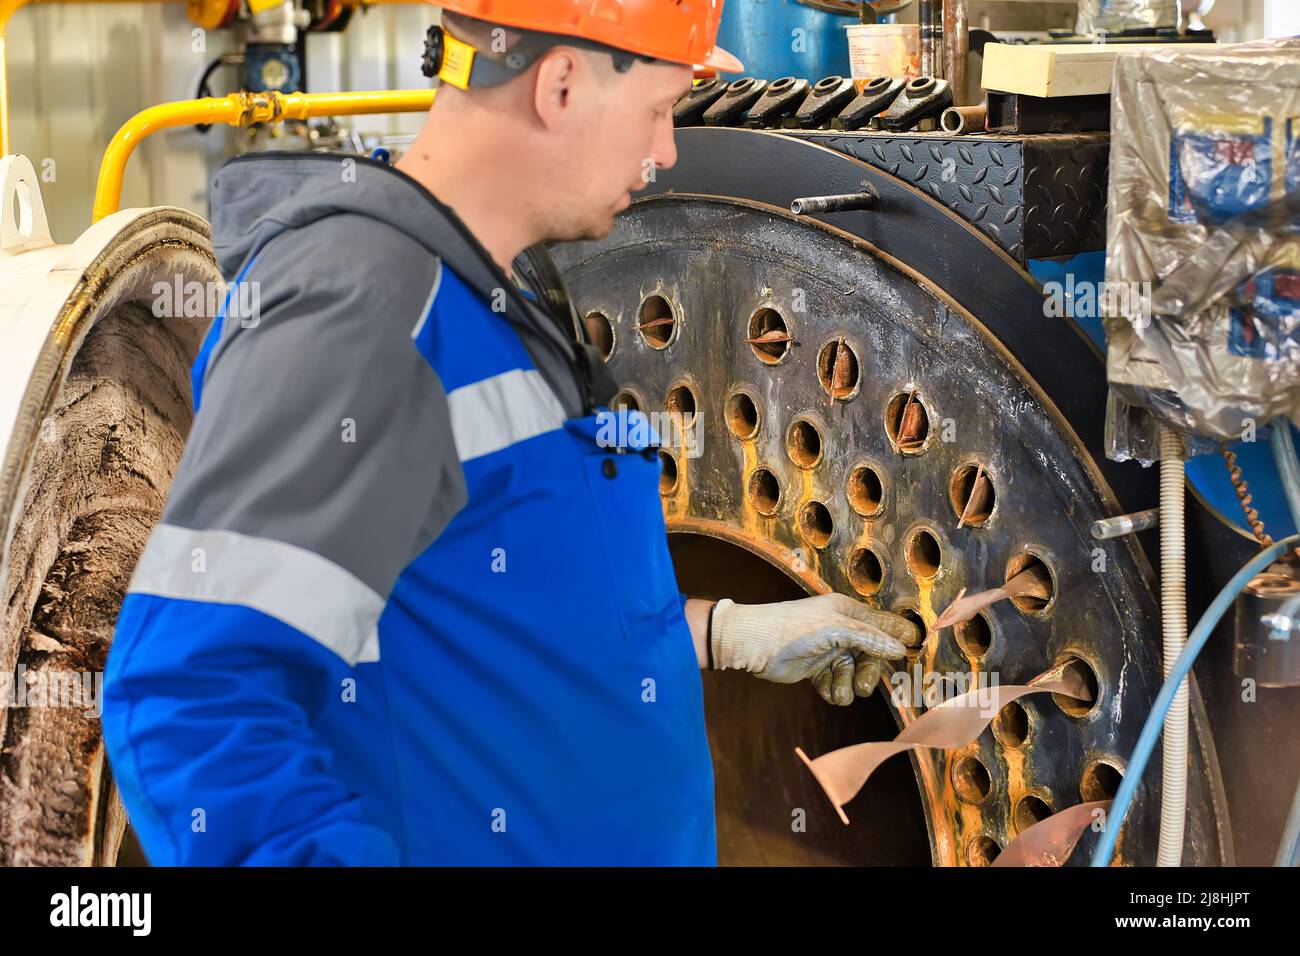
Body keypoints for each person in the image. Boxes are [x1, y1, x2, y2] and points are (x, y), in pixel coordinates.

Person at [102, 0, 918, 866]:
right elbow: (190, 699)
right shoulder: (364, 312)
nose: (667, 149)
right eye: (658, 109)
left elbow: (495, 616)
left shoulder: (502, 295)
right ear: (562, 84)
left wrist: (728, 635)